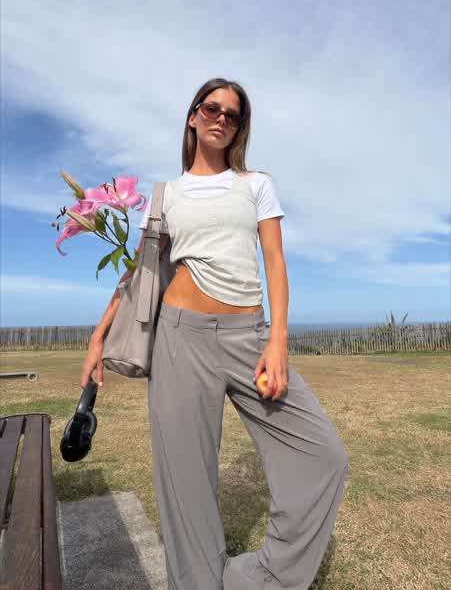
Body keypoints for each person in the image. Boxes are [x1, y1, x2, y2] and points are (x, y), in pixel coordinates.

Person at [81, 78, 349, 590]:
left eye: (233, 113)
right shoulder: (166, 195)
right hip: (179, 339)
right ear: (193, 116)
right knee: (187, 484)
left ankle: (259, 579)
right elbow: (141, 273)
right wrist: (99, 337)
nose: (221, 118)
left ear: (240, 126)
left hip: (250, 337)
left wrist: (277, 341)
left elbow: (275, 261)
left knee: (323, 456)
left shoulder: (256, 185)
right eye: (212, 108)